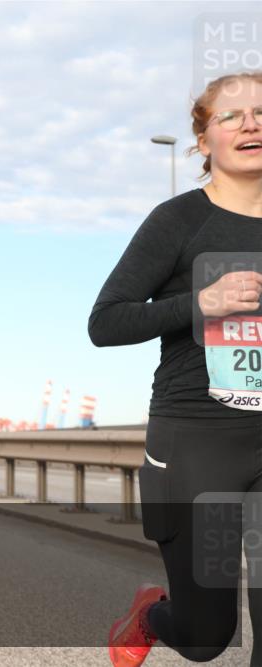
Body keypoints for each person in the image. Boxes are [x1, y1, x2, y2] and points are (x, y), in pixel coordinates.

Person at [91, 72, 262, 666]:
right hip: (197, 441)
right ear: (204, 139)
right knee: (206, 636)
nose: (251, 125)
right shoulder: (179, 220)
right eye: (232, 116)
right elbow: (105, 322)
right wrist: (202, 303)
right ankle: (153, 614)